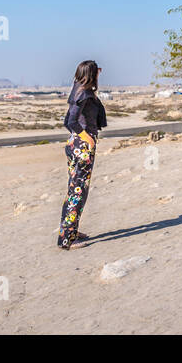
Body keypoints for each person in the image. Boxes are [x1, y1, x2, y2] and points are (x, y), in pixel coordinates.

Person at [57, 60, 107, 249]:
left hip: (75, 144)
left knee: (74, 189)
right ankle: (67, 239)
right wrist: (88, 138)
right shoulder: (84, 94)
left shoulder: (78, 91)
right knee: (78, 191)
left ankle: (69, 231)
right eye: (98, 71)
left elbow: (66, 121)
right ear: (91, 73)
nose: (100, 73)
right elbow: (70, 121)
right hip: (82, 147)